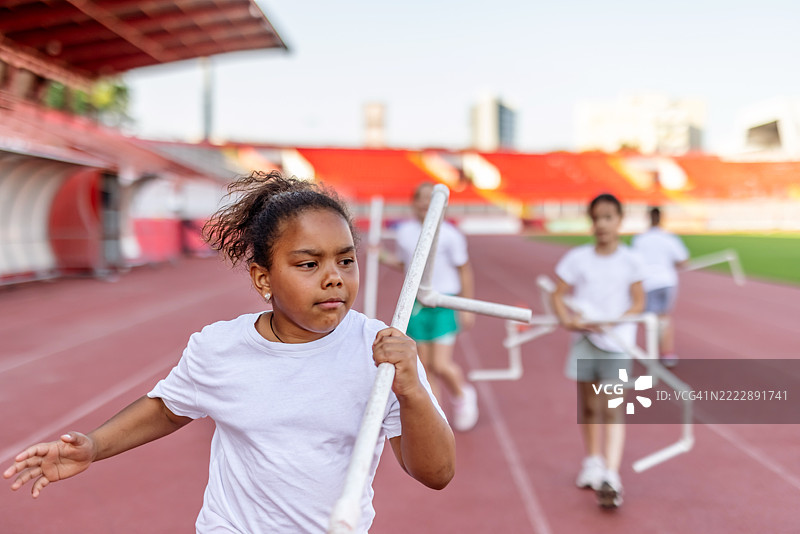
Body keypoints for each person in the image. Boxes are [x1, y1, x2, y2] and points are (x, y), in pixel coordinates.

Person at [3, 171, 455, 533]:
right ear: (263, 279)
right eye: (308, 264)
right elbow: (167, 409)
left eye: (346, 259)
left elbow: (436, 474)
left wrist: (411, 387)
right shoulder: (220, 348)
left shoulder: (379, 352)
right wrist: (95, 446)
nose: (334, 277)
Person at [551, 193, 645, 509]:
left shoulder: (631, 260)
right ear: (591, 222)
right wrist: (568, 319)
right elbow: (558, 294)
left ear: (620, 221)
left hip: (618, 343)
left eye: (609, 217)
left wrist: (617, 320)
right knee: (589, 406)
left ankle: (611, 473)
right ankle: (592, 460)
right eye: (597, 218)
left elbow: (638, 301)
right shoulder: (578, 258)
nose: (602, 224)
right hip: (586, 341)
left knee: (614, 407)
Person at [381, 182, 479, 432]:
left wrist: (466, 307)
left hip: (443, 301)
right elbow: (409, 268)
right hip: (416, 304)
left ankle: (462, 394)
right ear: (413, 203)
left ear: (442, 205)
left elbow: (464, 270)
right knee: (424, 367)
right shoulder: (405, 233)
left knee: (441, 364)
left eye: (431, 199)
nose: (426, 203)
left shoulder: (450, 235)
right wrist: (382, 257)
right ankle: (437, 417)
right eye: (421, 199)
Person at [632, 206, 689, 367]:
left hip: (648, 283)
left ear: (648, 217)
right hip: (666, 282)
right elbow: (684, 261)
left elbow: (635, 262)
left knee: (650, 320)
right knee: (664, 318)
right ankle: (667, 353)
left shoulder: (640, 239)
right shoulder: (669, 238)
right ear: (661, 218)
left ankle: (653, 353)